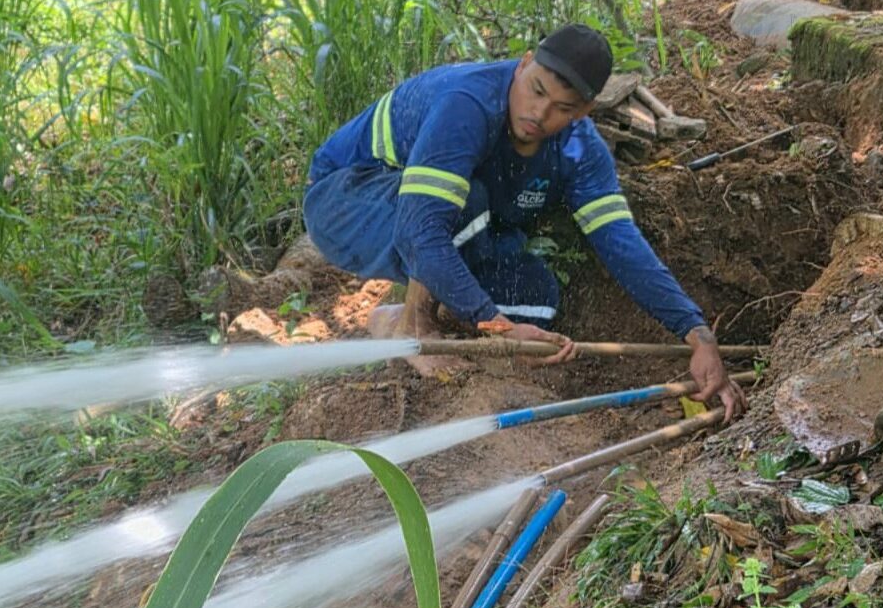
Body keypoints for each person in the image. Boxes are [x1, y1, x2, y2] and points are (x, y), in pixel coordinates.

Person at [302, 23, 747, 421]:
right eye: (536, 90)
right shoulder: (467, 103)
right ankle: (416, 328)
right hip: (345, 201)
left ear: (584, 110)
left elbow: (621, 243)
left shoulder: (581, 149)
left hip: (436, 217)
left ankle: (395, 320)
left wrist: (696, 334)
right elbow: (420, 232)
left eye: (562, 107)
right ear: (524, 63)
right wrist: (497, 327)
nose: (539, 113)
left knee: (534, 298)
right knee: (463, 201)